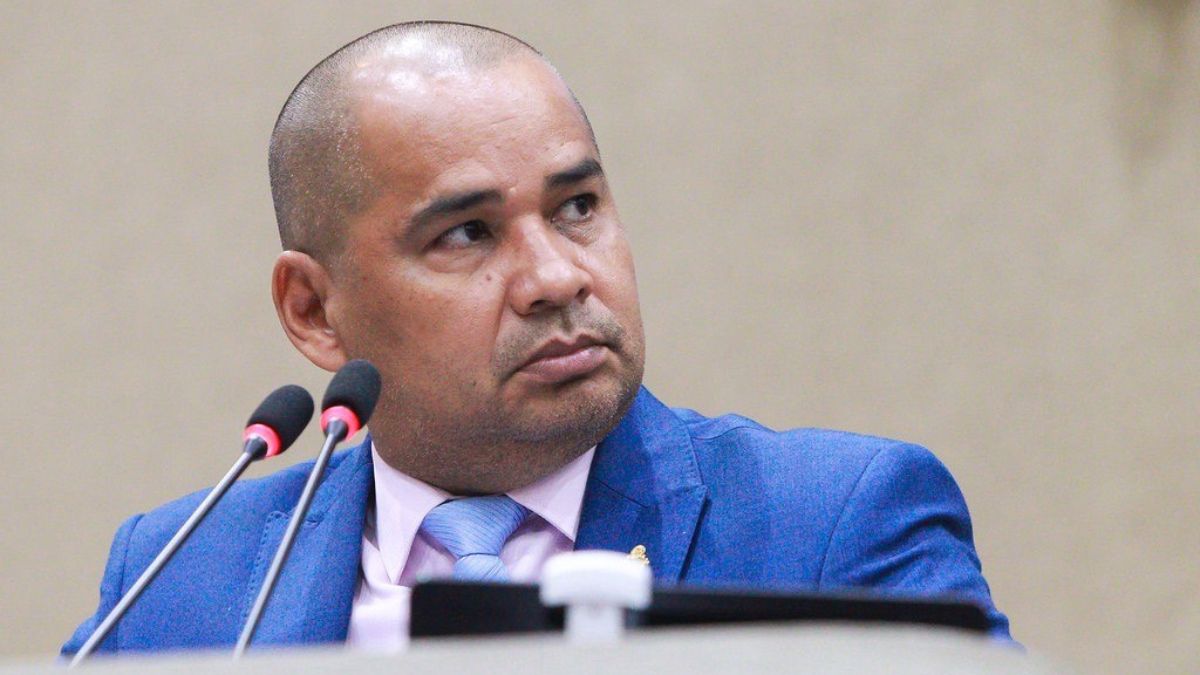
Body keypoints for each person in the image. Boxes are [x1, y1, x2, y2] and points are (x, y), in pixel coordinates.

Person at [63, 21, 1010, 655]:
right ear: (313, 310)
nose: (557, 276)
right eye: (467, 233)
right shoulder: (179, 578)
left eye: (578, 206)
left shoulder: (832, 524)